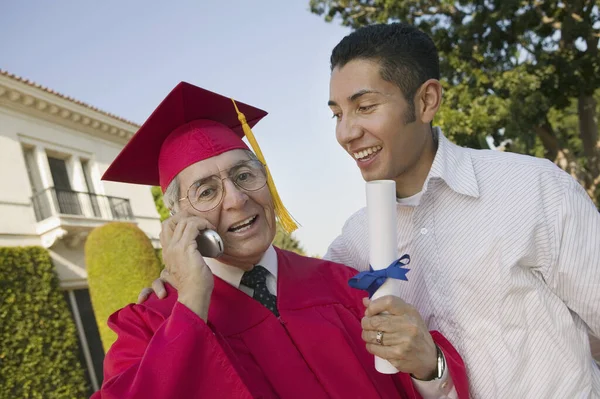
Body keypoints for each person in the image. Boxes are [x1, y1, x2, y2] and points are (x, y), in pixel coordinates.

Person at [141, 23, 600, 398]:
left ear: (426, 100)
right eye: (337, 113)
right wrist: (182, 279)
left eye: (364, 107)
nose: (346, 132)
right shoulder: (352, 248)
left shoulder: (533, 189)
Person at [93, 81, 470, 398]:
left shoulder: (342, 284)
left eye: (244, 175)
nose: (238, 199)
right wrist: (191, 302)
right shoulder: (148, 326)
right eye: (207, 192)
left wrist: (430, 367)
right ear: (178, 221)